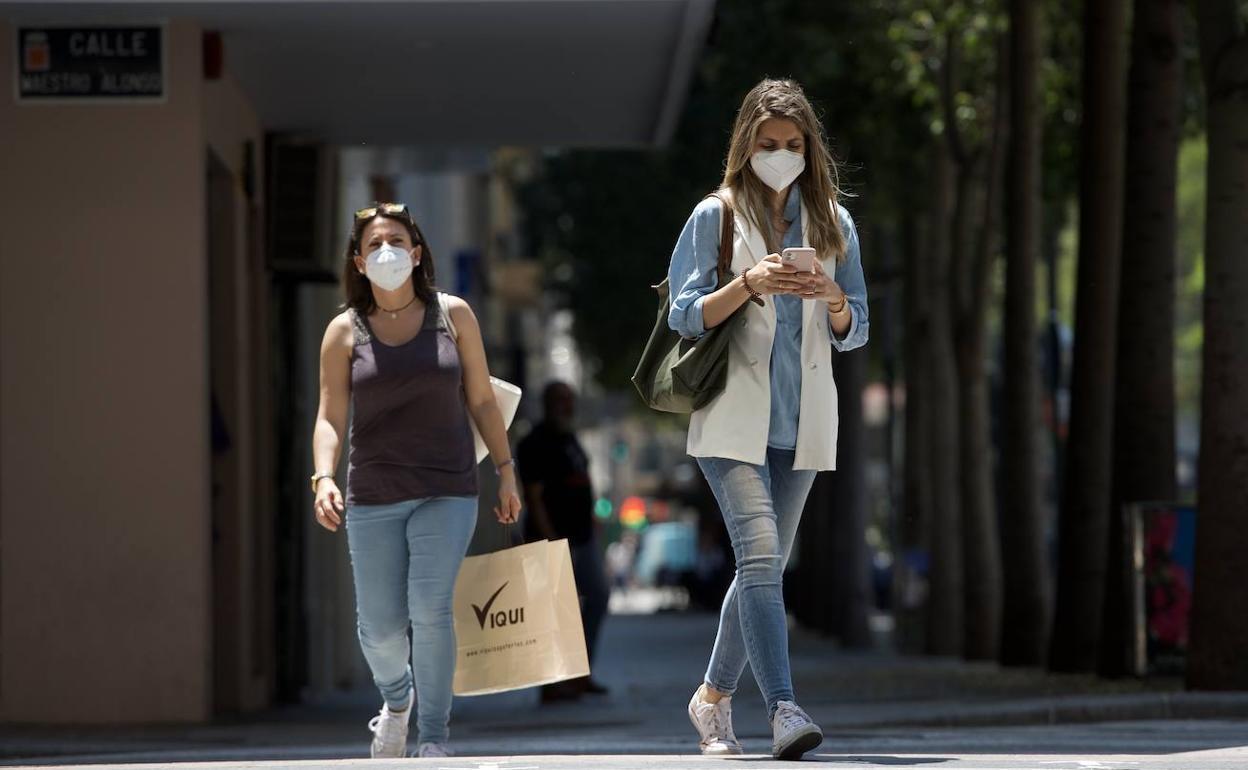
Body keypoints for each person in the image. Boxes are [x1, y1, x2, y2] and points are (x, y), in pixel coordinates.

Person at [666, 78, 869, 760]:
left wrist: (834, 297)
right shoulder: (715, 216)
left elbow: (857, 328)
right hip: (730, 417)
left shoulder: (834, 224)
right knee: (758, 558)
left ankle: (712, 699)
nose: (781, 155)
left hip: (801, 420)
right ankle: (783, 707)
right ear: (745, 147)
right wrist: (747, 284)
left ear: (811, 149)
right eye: (767, 145)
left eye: (792, 145)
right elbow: (683, 314)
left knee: (765, 568)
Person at [311, 202, 522, 759]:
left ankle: (434, 739)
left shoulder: (453, 315)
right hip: (373, 493)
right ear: (358, 262)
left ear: (417, 253)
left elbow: (480, 398)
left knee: (430, 610)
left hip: (447, 488)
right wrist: (322, 478)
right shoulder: (343, 332)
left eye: (397, 241)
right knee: (379, 629)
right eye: (375, 244)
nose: (387, 252)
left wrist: (506, 471)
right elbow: (331, 415)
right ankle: (397, 700)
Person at [517, 381, 612, 701]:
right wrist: (552, 540)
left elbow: (585, 482)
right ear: (547, 403)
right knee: (555, 612)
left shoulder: (571, 438)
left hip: (583, 538)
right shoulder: (534, 443)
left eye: (570, 400)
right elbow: (534, 497)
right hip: (552, 540)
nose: (567, 406)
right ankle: (553, 684)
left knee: (597, 596)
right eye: (561, 400)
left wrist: (594, 520)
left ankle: (579, 673)